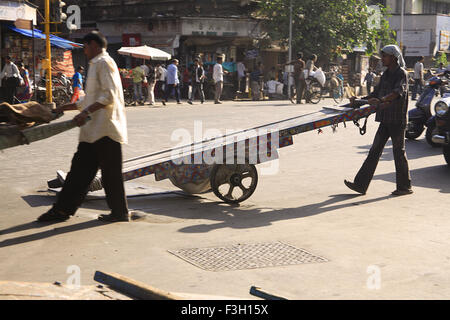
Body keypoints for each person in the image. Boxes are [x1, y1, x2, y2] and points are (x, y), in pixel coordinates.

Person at [37, 31, 129, 223]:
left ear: (93, 45)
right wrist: (64, 107)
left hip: (105, 129)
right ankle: (64, 210)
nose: (84, 51)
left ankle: (118, 213)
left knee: (105, 174)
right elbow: (89, 99)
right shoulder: (96, 64)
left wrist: (86, 112)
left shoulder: (104, 63)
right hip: (93, 132)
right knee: (82, 172)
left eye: (85, 47)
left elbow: (108, 96)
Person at [344, 44, 412, 197]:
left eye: (385, 56)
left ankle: (404, 186)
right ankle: (360, 185)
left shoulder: (402, 74)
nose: (382, 59)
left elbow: (397, 92)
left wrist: (381, 100)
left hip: (397, 120)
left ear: (393, 57)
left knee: (398, 152)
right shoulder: (386, 74)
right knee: (374, 151)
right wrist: (359, 100)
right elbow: (375, 93)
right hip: (385, 119)